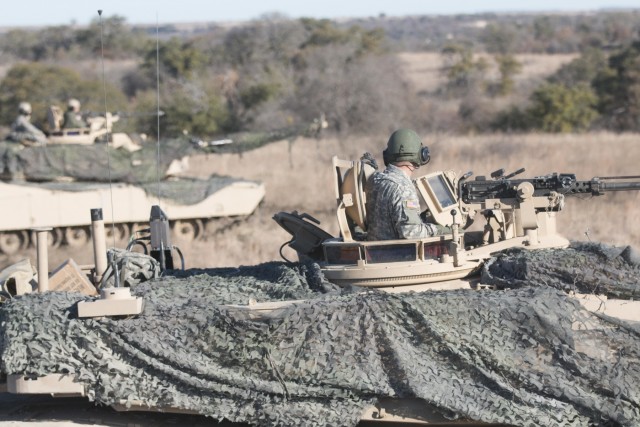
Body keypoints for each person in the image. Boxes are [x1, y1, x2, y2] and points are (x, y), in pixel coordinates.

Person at [365, 128, 444, 241]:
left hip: (378, 252)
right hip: (397, 254)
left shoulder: (377, 179)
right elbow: (411, 233)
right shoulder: (402, 188)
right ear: (420, 155)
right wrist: (439, 229)